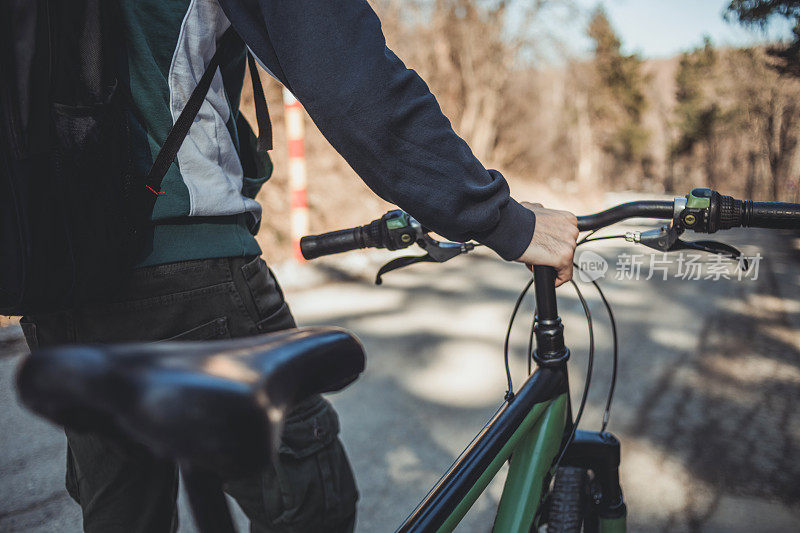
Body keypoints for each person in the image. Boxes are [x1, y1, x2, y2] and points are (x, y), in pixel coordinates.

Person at [19, 1, 579, 531]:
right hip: (192, 272)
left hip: (55, 281)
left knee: (122, 519)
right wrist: (500, 218)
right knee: (313, 509)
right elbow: (352, 78)